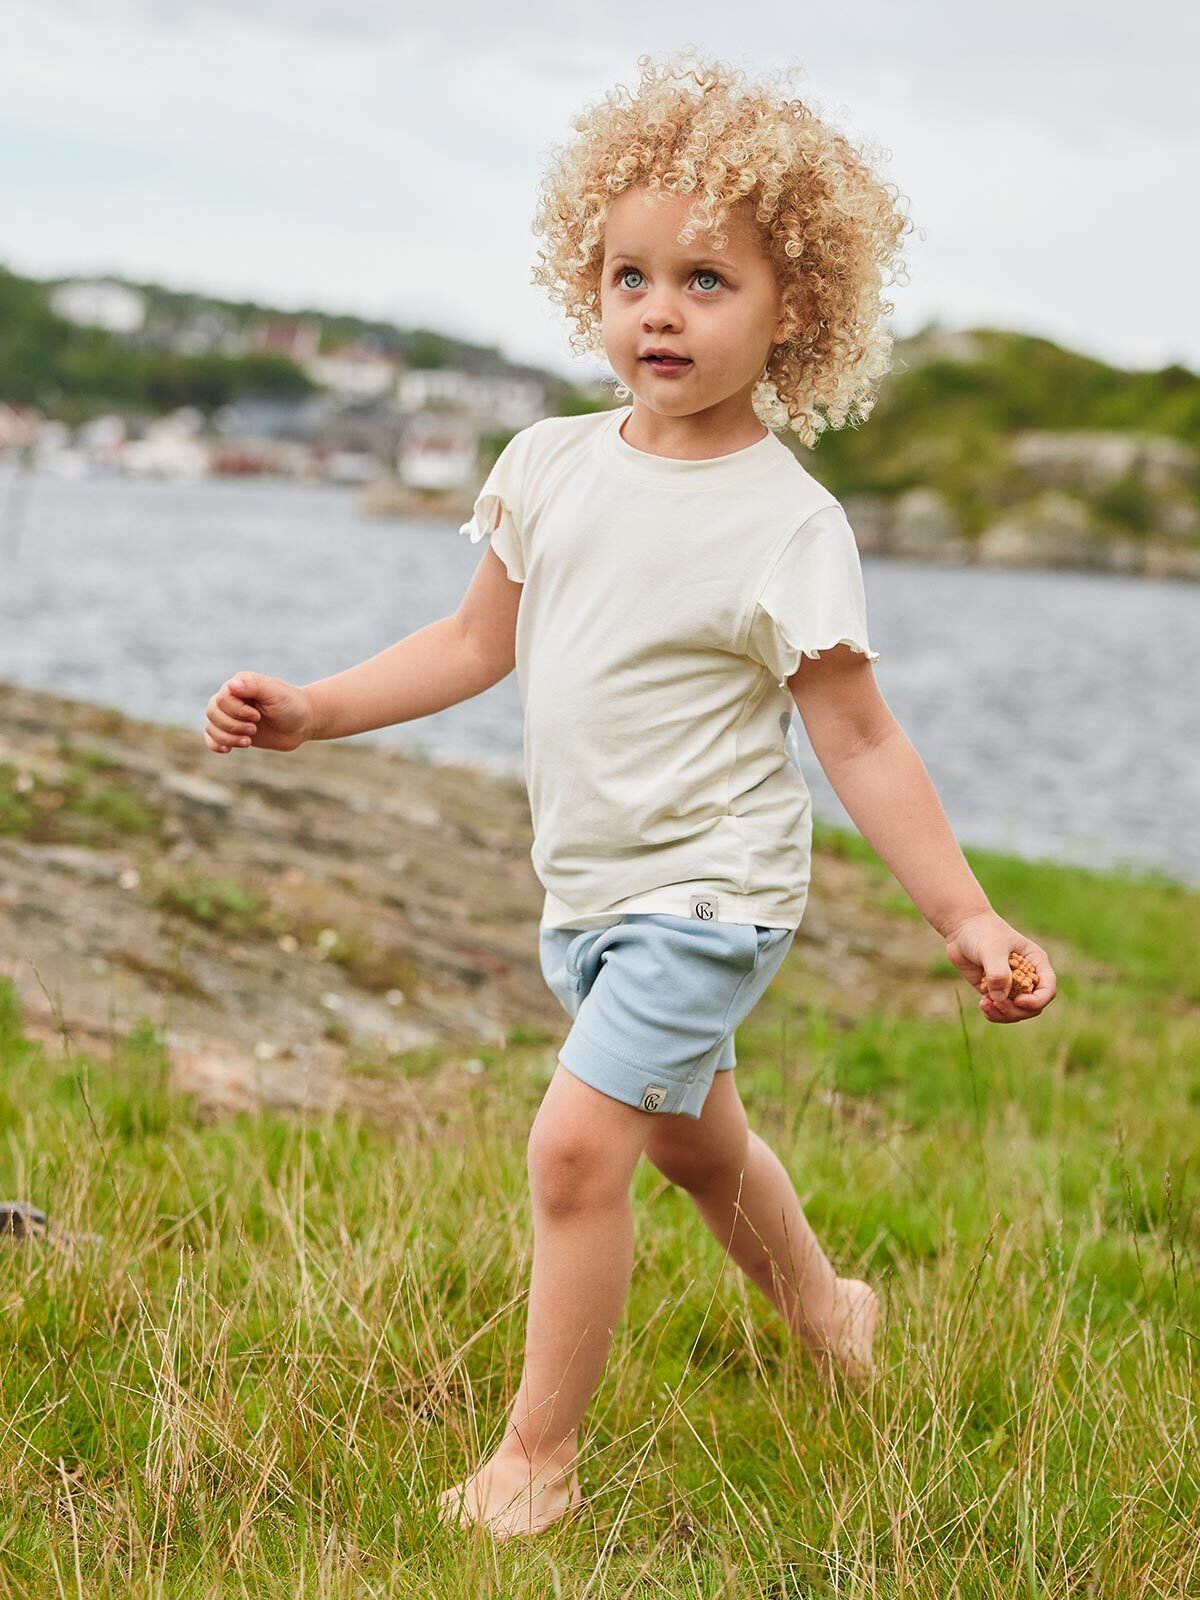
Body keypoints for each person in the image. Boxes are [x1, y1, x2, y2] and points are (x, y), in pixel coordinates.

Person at [202, 50, 1058, 1541]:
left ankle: (537, 1462)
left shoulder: (789, 524)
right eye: (629, 275)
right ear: (587, 285)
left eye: (708, 280)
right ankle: (829, 1315)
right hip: (590, 888)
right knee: (691, 1136)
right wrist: (318, 710)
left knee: (579, 1147)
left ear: (799, 313)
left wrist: (966, 916)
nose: (659, 308)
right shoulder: (544, 463)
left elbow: (856, 738)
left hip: (713, 894)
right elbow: (478, 642)